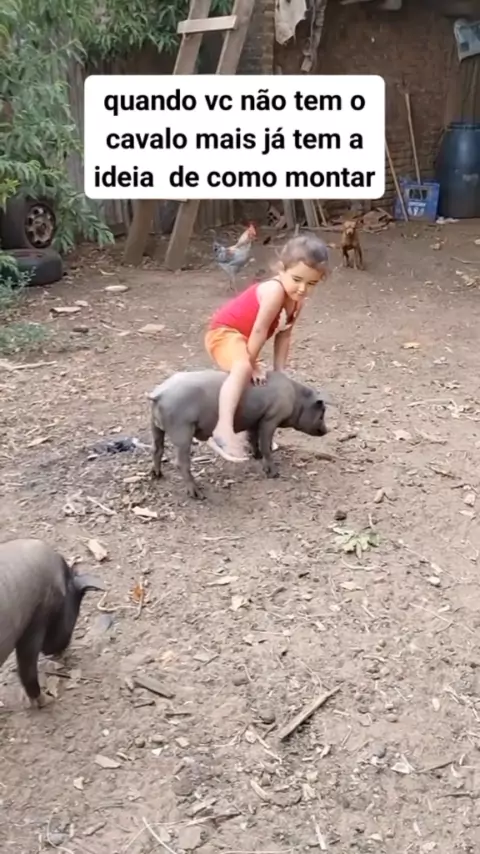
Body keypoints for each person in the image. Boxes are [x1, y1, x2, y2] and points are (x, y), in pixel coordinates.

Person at [204, 231, 329, 463]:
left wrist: (280, 372)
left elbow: (284, 335)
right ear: (281, 269)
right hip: (224, 334)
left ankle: (250, 434)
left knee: (263, 381)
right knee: (243, 369)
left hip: (244, 340)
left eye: (311, 283)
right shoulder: (274, 291)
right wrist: (251, 363)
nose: (302, 288)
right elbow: (260, 331)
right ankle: (222, 429)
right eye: (297, 279)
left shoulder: (297, 301)